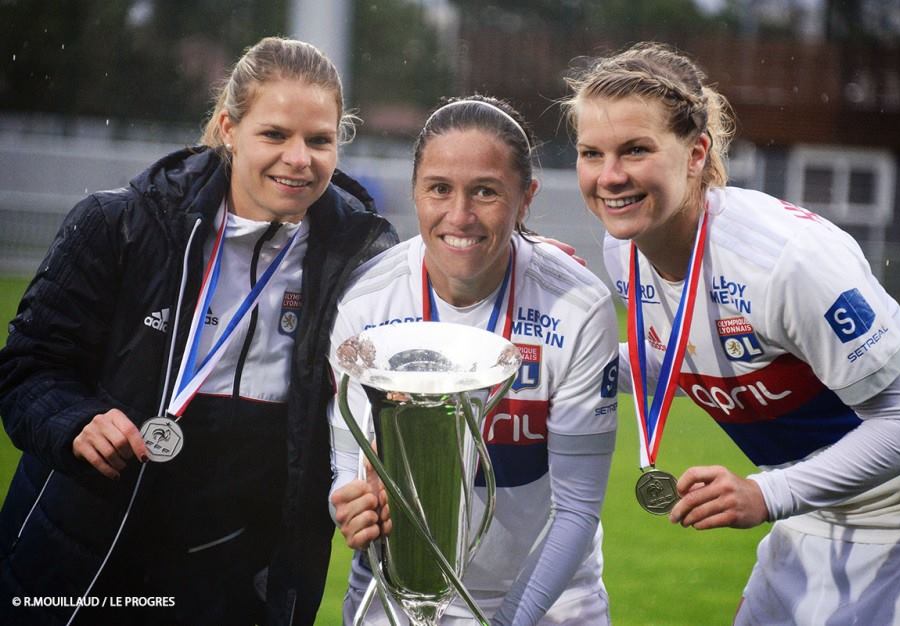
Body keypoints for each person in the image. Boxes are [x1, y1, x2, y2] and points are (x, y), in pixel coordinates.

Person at [0, 36, 397, 626]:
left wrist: (517, 256)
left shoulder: (361, 257)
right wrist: (74, 420)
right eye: (274, 135)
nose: (299, 158)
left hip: (241, 581)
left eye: (319, 140)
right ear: (228, 129)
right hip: (88, 558)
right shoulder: (123, 226)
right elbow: (26, 370)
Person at [563, 41, 900, 625]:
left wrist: (765, 494)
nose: (609, 177)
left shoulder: (785, 261)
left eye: (635, 150)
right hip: (819, 506)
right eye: (592, 152)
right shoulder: (624, 250)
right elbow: (689, 363)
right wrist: (546, 361)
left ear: (694, 154)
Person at [328, 96, 620, 625]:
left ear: (525, 198)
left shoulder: (578, 305)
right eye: (439, 189)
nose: (459, 216)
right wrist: (345, 503)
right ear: (416, 190)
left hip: (549, 605)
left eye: (485, 192)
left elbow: (576, 510)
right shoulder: (366, 301)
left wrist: (508, 619)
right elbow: (348, 462)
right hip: (396, 600)